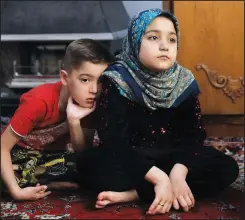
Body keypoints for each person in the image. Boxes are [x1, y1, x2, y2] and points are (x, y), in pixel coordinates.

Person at [76, 9, 239, 215]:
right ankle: (156, 188)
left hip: (172, 158)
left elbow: (193, 135)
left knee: (227, 168)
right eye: (153, 37)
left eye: (172, 40)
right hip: (131, 159)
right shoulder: (116, 80)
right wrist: (158, 177)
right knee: (88, 165)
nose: (164, 46)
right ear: (135, 42)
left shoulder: (184, 81)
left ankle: (135, 193)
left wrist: (178, 174)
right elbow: (114, 139)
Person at [1, 39, 112, 201]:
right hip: (16, 153)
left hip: (50, 157)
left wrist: (74, 121)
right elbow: (2, 147)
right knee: (12, 171)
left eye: (101, 81)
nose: (94, 90)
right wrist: (16, 192)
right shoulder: (39, 101)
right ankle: (38, 183)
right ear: (65, 78)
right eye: (85, 80)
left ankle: (43, 181)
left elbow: (83, 153)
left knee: (95, 166)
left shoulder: (89, 102)